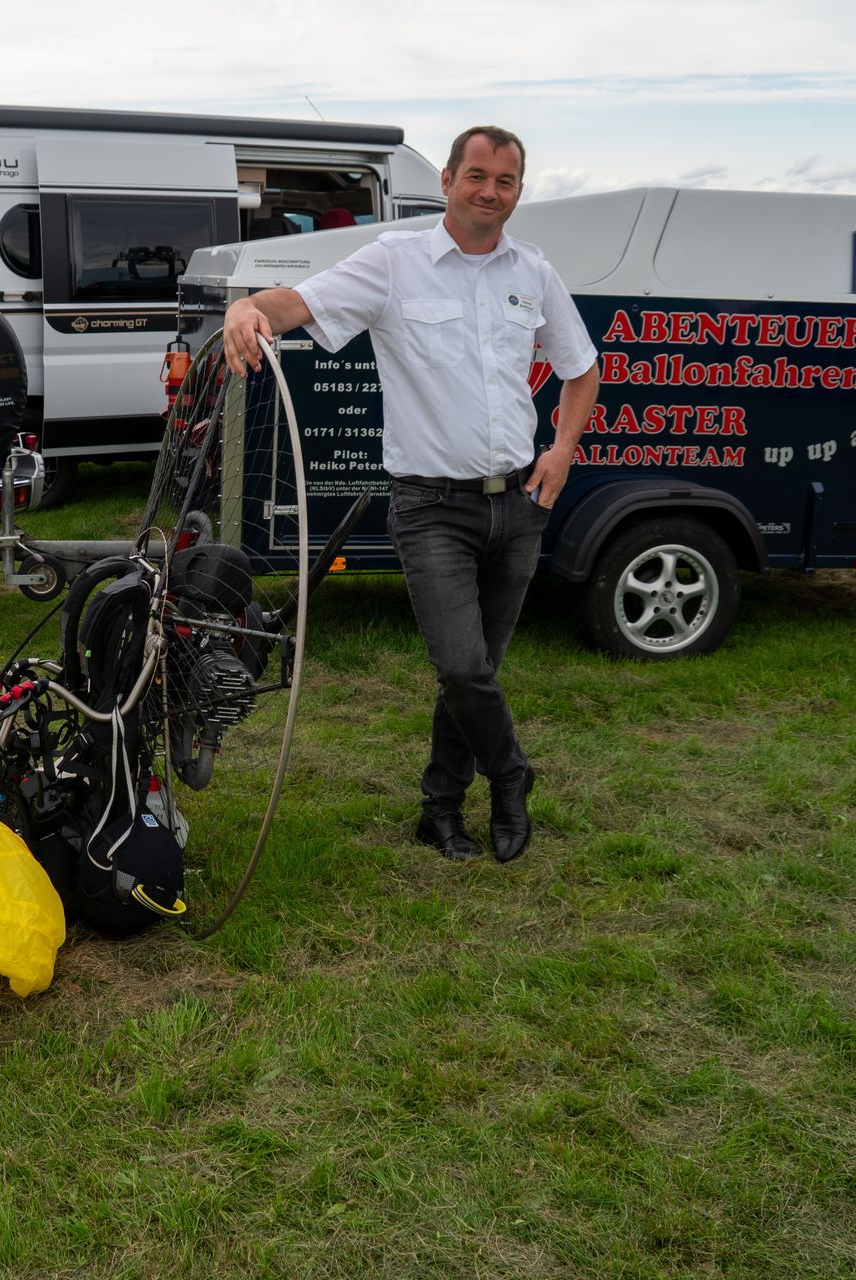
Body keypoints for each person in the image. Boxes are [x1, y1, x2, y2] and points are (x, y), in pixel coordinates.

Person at [224, 126, 600, 864]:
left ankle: (440, 809)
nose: (489, 191)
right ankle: (511, 776)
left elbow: (581, 368)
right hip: (431, 508)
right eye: (476, 176)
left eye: (505, 181)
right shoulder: (395, 262)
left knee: (476, 673)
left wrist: (561, 452)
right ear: (449, 181)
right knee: (461, 666)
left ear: (518, 191)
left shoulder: (534, 271)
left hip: (518, 506)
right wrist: (247, 308)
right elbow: (296, 303)